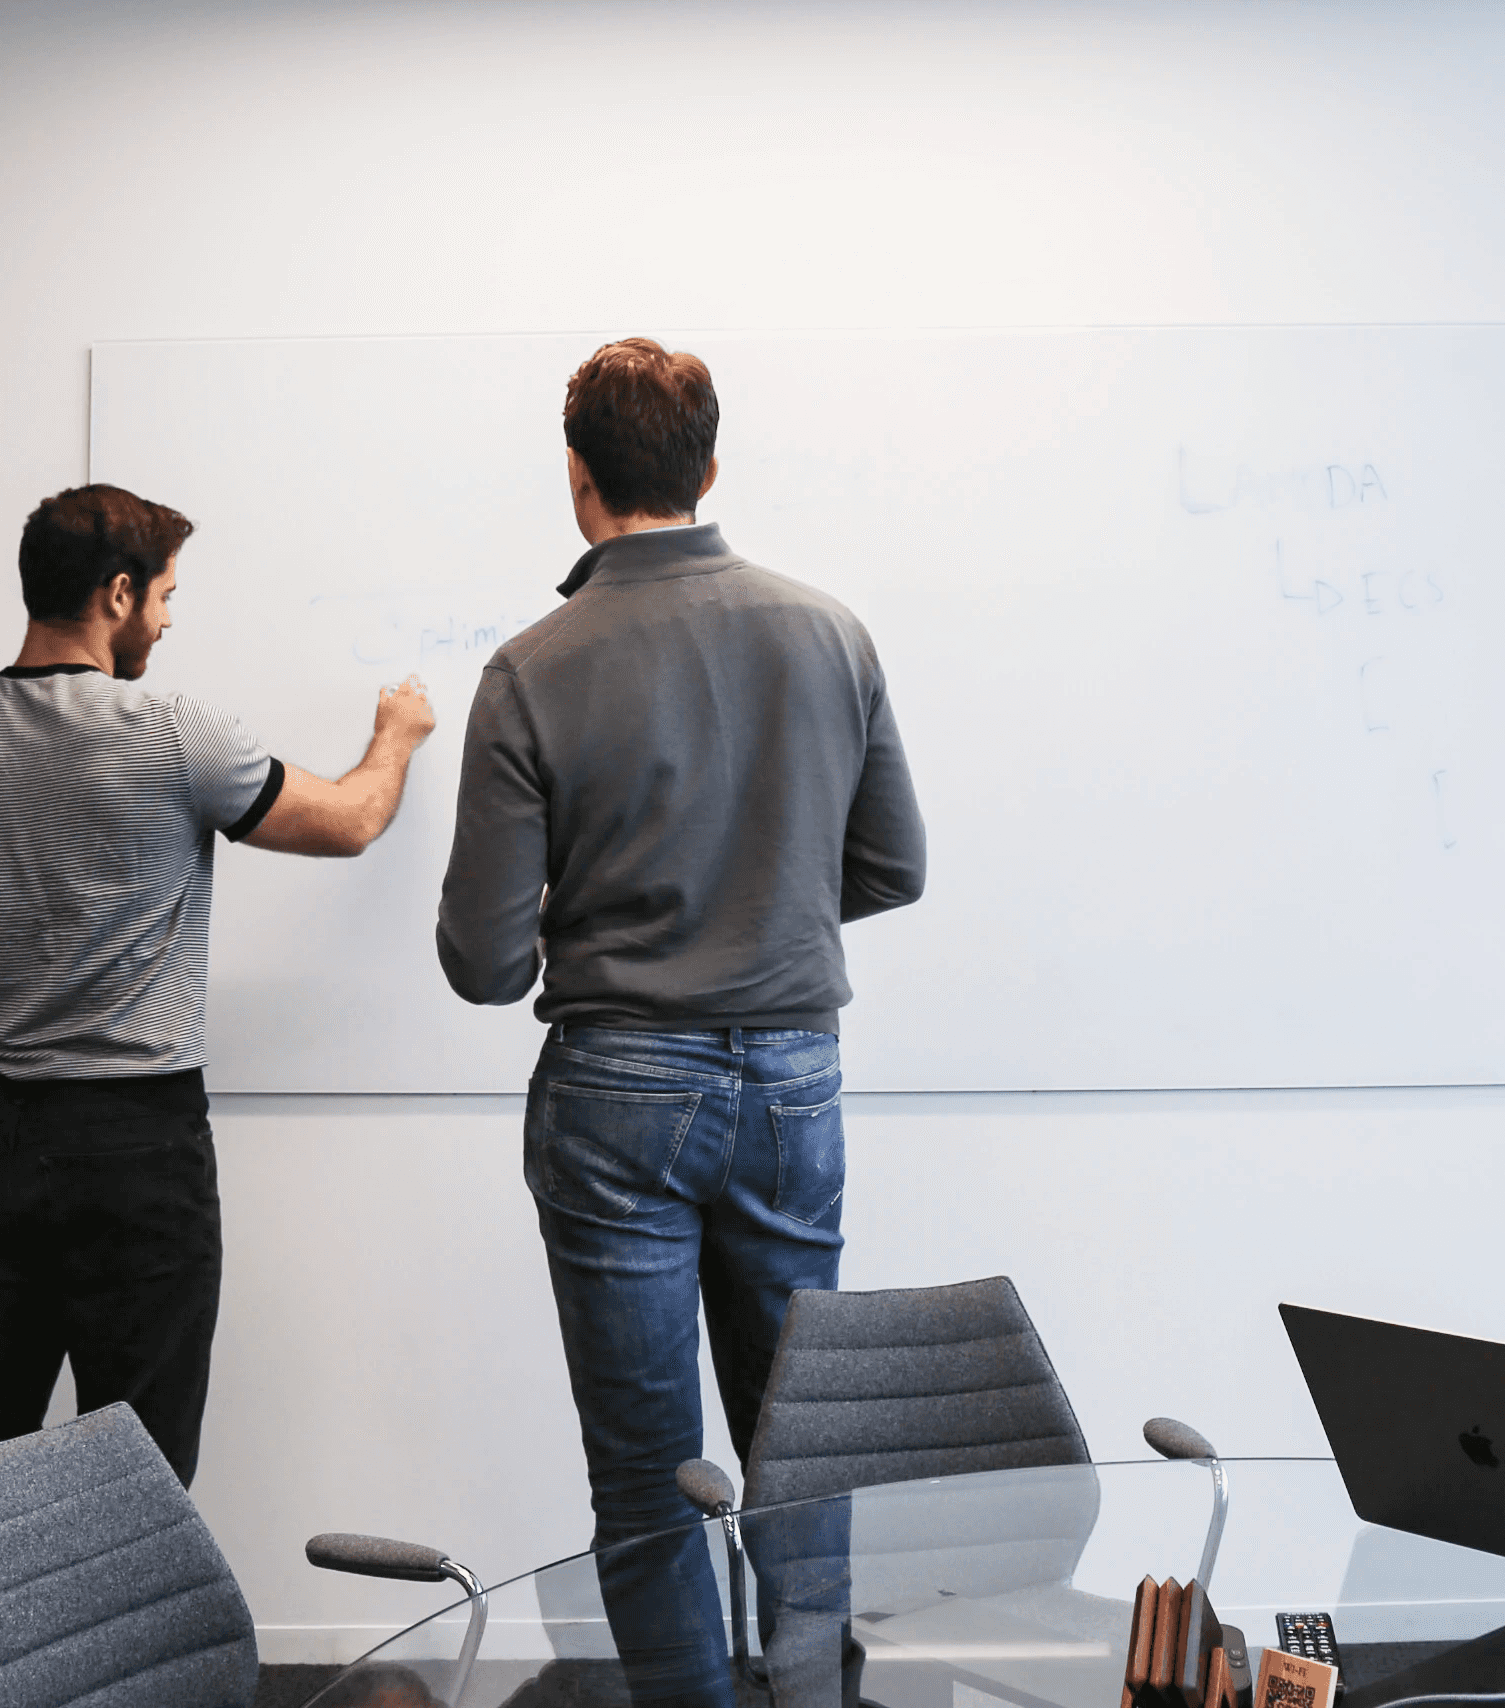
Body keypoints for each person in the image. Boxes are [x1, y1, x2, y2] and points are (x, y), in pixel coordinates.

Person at [437, 337, 925, 1708]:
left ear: (579, 484)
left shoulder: (532, 666)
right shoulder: (829, 629)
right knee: (800, 1450)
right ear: (711, 470)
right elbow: (891, 868)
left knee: (651, 1477)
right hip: (794, 1083)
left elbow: (480, 963)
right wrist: (761, 910)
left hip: (618, 1091)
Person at [0, 483, 437, 1485]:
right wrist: (399, 737)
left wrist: (15, 948)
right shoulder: (174, 733)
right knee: (142, 1466)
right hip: (137, 1145)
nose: (167, 619)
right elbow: (347, 821)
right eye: (164, 595)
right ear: (116, 595)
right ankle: (121, 1647)